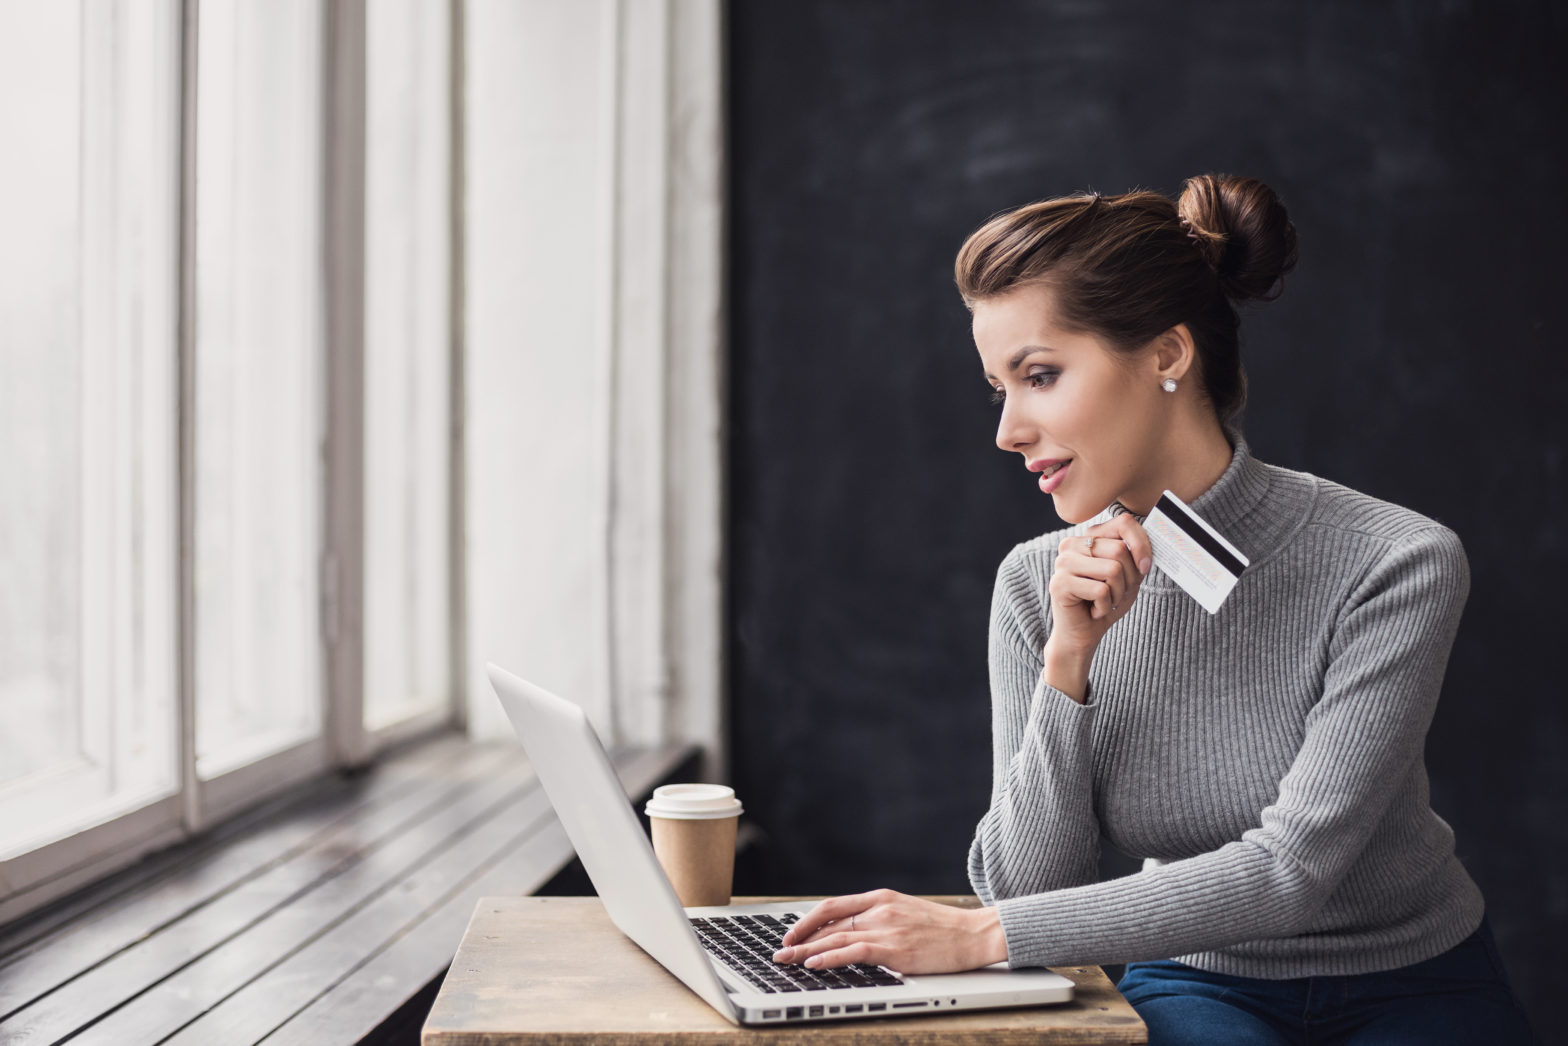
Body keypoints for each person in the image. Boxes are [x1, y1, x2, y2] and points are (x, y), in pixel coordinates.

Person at [769, 175, 1537, 1044]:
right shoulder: (1036, 585)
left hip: (1415, 977)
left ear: (1168, 355)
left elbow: (1294, 871)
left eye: (1041, 375)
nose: (1008, 430)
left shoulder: (1395, 561)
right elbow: (1032, 894)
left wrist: (980, 936)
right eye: (999, 388)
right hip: (1200, 977)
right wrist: (1069, 663)